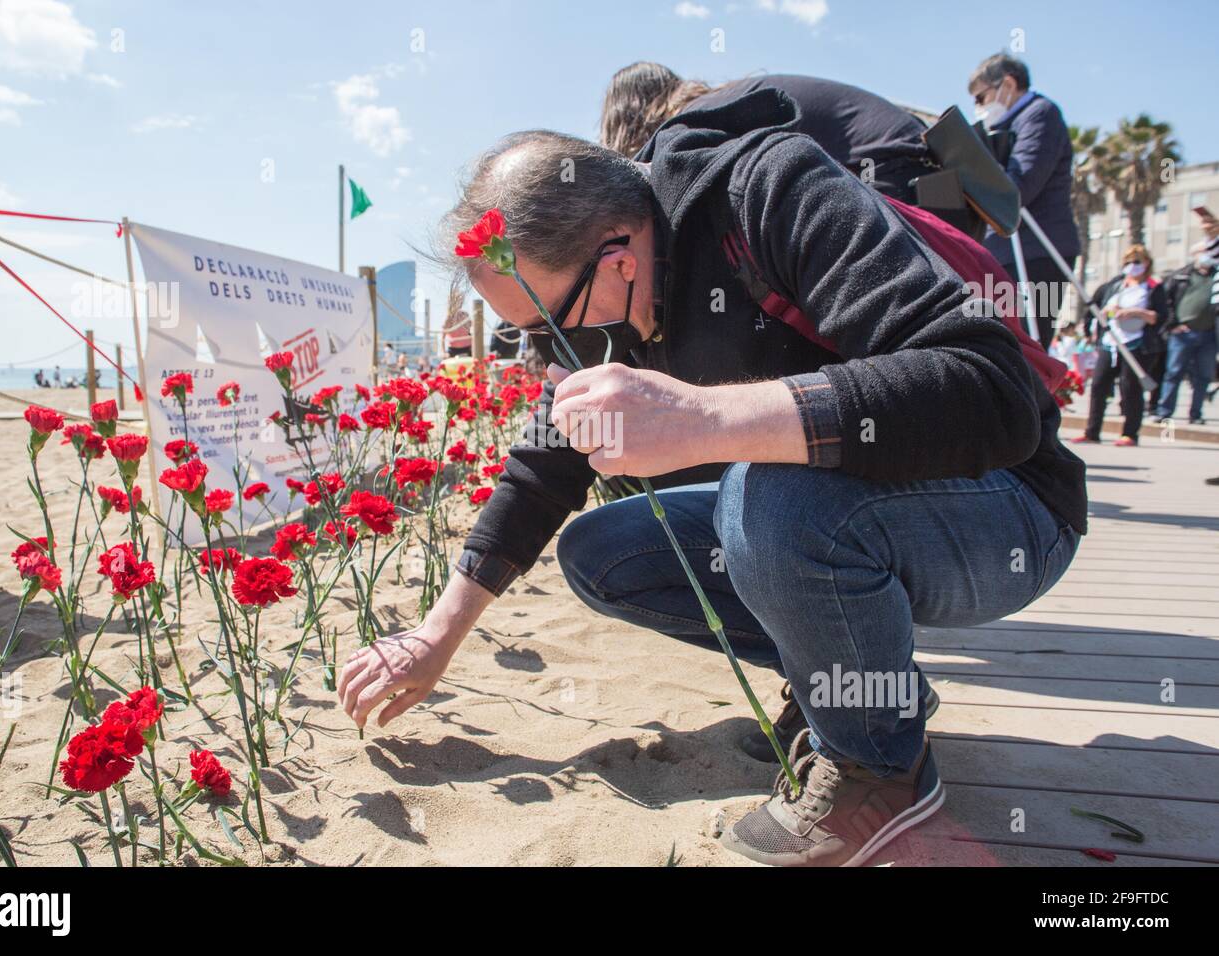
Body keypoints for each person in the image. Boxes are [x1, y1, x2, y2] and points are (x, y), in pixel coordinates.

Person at [336, 88, 1087, 867]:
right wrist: (436, 634)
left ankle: (883, 772)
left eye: (542, 326)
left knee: (772, 499)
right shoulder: (604, 314)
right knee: (606, 552)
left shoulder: (770, 192)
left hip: (1009, 509)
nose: (540, 353)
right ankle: (860, 683)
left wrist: (708, 419)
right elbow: (542, 467)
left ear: (619, 258)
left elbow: (990, 395)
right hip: (838, 517)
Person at [600, 62, 932, 204]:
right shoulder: (726, 100)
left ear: (628, 120)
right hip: (929, 175)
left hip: (896, 177)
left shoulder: (692, 122)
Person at [967, 54, 1079, 350]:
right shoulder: (1000, 127)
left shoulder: (1040, 114)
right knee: (997, 341)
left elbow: (1019, 186)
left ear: (1008, 84)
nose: (979, 107)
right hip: (1001, 250)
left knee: (1027, 345)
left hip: (1037, 251)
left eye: (982, 97)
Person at [1074, 245, 1168, 447]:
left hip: (1137, 345)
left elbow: (1161, 317)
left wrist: (1134, 312)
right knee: (1099, 386)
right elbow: (1094, 308)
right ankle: (1092, 431)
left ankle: (1130, 433)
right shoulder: (1114, 286)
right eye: (1128, 262)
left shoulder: (1153, 287)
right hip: (1110, 343)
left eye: (1137, 262)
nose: (1132, 266)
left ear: (1147, 263)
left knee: (1131, 388)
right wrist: (1101, 319)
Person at [1154, 239, 1218, 425]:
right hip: (1182, 334)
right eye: (1206, 250)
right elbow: (1167, 302)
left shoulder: (1216, 276)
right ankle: (1164, 412)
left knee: (1203, 376)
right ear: (1195, 254)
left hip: (1209, 335)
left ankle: (1196, 414)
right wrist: (1172, 324)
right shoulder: (1181, 276)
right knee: (1174, 373)